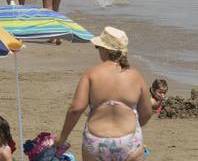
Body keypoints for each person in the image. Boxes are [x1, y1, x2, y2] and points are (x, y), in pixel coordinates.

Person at [54, 27, 152, 161]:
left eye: (98, 47)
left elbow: (75, 109)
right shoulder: (136, 77)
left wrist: (63, 137)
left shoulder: (91, 74)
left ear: (106, 50)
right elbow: (146, 113)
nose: (98, 50)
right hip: (128, 140)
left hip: (96, 141)